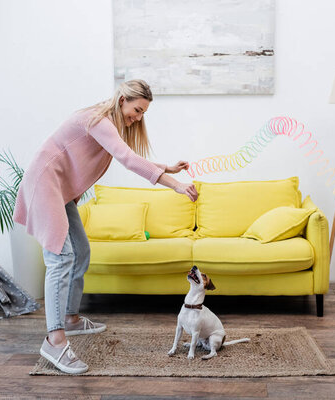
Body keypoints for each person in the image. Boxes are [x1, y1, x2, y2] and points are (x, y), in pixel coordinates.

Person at [13, 79, 198, 374]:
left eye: (142, 114)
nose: (137, 117)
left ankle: (71, 320)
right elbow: (127, 158)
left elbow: (128, 154)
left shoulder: (107, 122)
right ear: (122, 99)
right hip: (46, 184)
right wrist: (175, 184)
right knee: (61, 258)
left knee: (81, 252)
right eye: (137, 110)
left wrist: (166, 168)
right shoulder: (97, 119)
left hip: (61, 191)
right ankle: (54, 340)